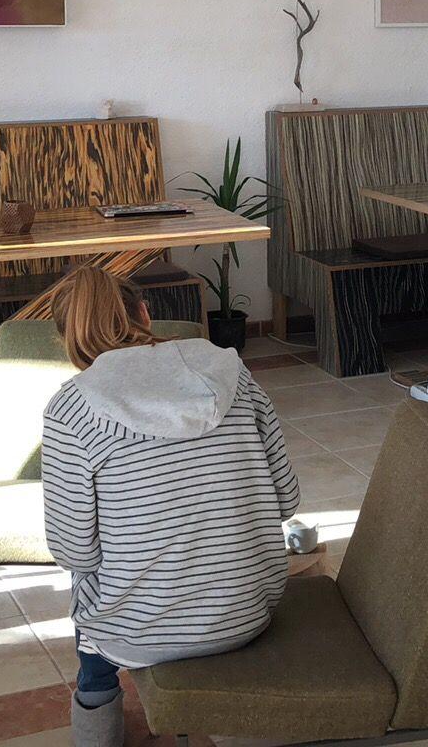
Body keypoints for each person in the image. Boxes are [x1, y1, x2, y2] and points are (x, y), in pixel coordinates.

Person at [40, 267, 300, 747]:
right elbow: (287, 499)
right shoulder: (233, 372)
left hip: (143, 636)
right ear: (144, 313)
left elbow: (74, 552)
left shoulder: (70, 409)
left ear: (66, 337)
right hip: (248, 612)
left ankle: (98, 724)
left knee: (87, 602)